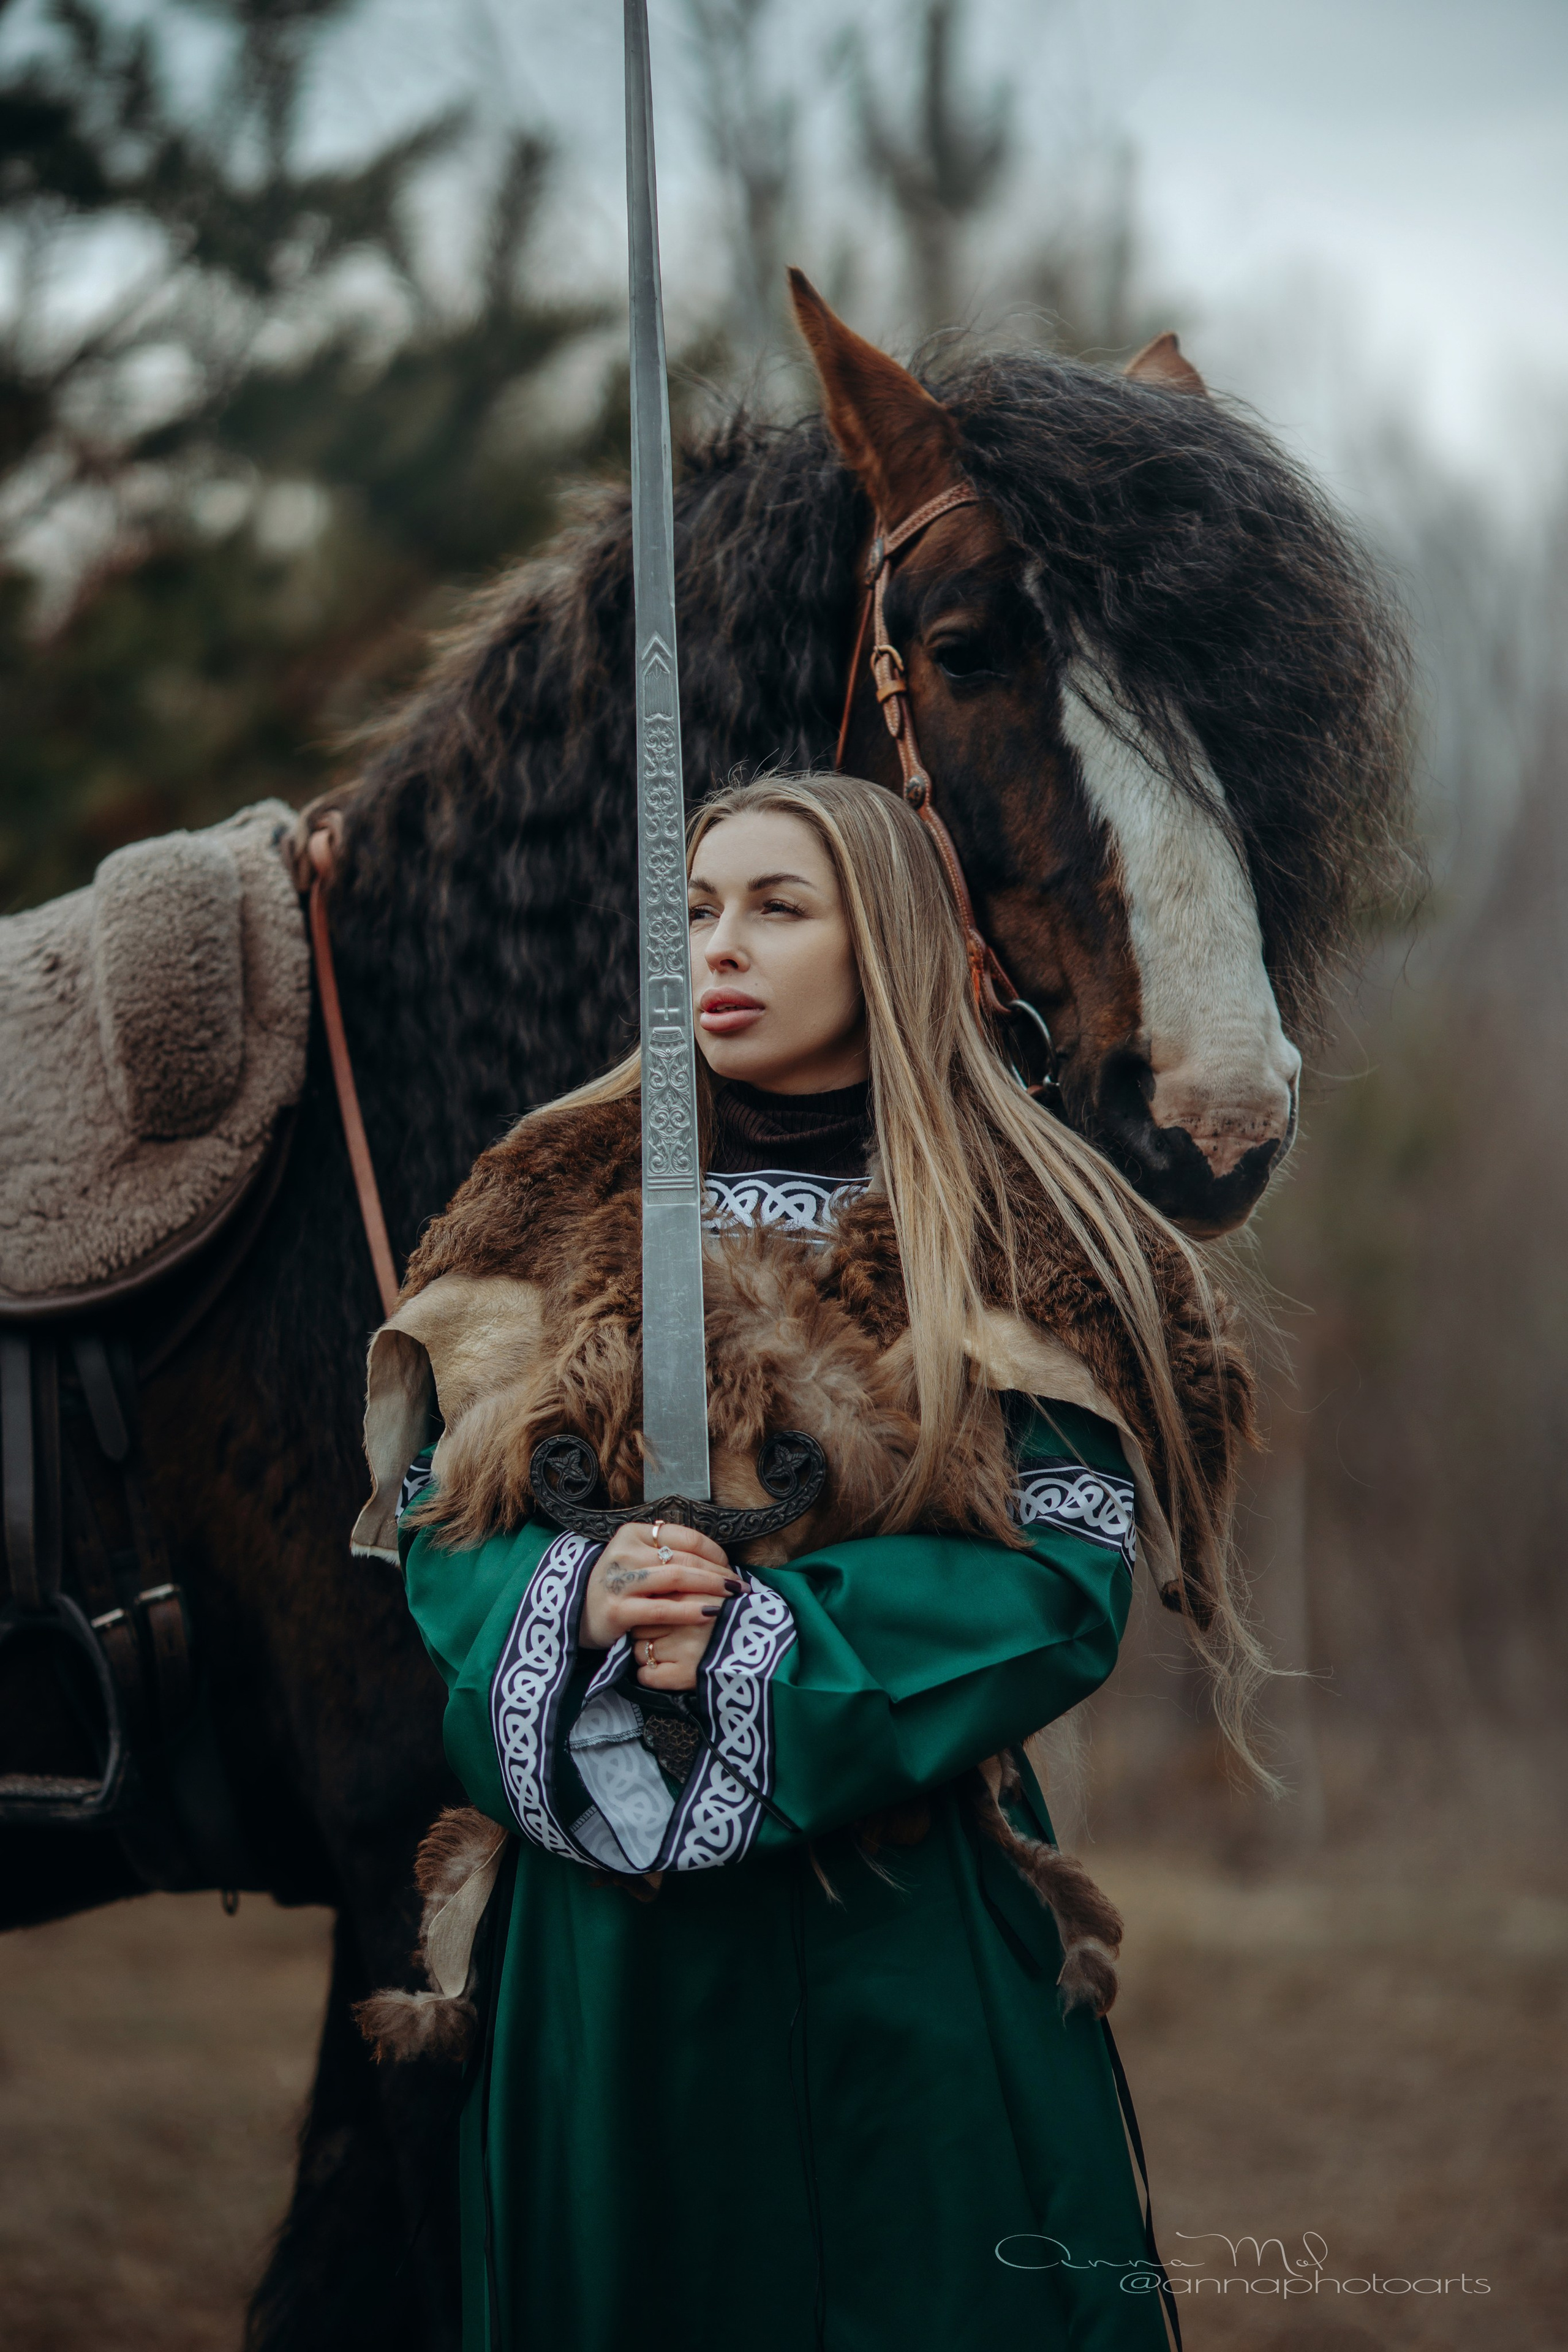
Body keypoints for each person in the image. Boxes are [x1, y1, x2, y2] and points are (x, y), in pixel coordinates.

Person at [351, 772, 1266, 2352]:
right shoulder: (547, 1208)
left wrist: (771, 1639)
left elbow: (1061, 1581)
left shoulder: (1020, 1234)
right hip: (604, 1966)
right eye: (696, 910)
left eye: (779, 909)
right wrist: (575, 1599)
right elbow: (448, 1529)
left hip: (892, 1927)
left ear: (890, 942)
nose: (719, 947)